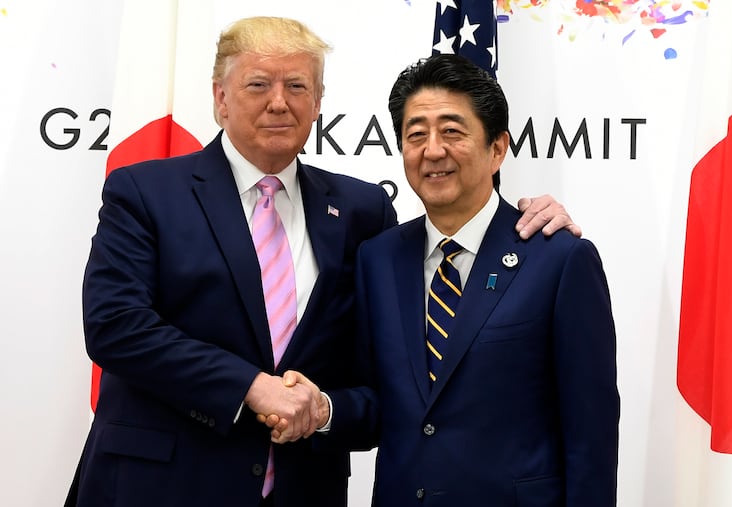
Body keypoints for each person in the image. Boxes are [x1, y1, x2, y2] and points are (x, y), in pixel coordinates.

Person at [65, 16, 581, 507]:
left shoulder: (361, 212)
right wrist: (252, 387)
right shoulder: (145, 191)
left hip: (303, 490)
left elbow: (388, 371)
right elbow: (115, 326)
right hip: (159, 486)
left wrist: (523, 217)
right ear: (220, 98)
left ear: (318, 104)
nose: (278, 103)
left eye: (297, 87)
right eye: (257, 85)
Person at [289, 54, 619, 506]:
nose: (433, 150)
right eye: (416, 134)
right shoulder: (378, 259)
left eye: (452, 131)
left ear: (497, 148)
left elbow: (591, 433)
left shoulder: (559, 259)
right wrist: (323, 409)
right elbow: (380, 402)